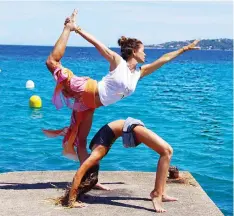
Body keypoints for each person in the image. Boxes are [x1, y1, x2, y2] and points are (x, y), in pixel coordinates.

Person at [44, 9, 200, 164]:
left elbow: (163, 59)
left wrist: (184, 49)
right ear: (133, 52)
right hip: (86, 88)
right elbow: (97, 44)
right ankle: (67, 28)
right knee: (52, 63)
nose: (145, 54)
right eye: (143, 51)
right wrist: (76, 28)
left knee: (81, 142)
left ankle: (89, 179)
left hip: (89, 105)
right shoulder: (118, 62)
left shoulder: (139, 73)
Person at [64, 117, 176, 213]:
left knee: (166, 151)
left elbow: (79, 174)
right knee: (166, 151)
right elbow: (86, 175)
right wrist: (93, 182)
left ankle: (159, 193)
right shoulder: (97, 151)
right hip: (127, 127)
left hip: (128, 127)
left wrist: (71, 200)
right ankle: (158, 193)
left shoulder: (96, 154)